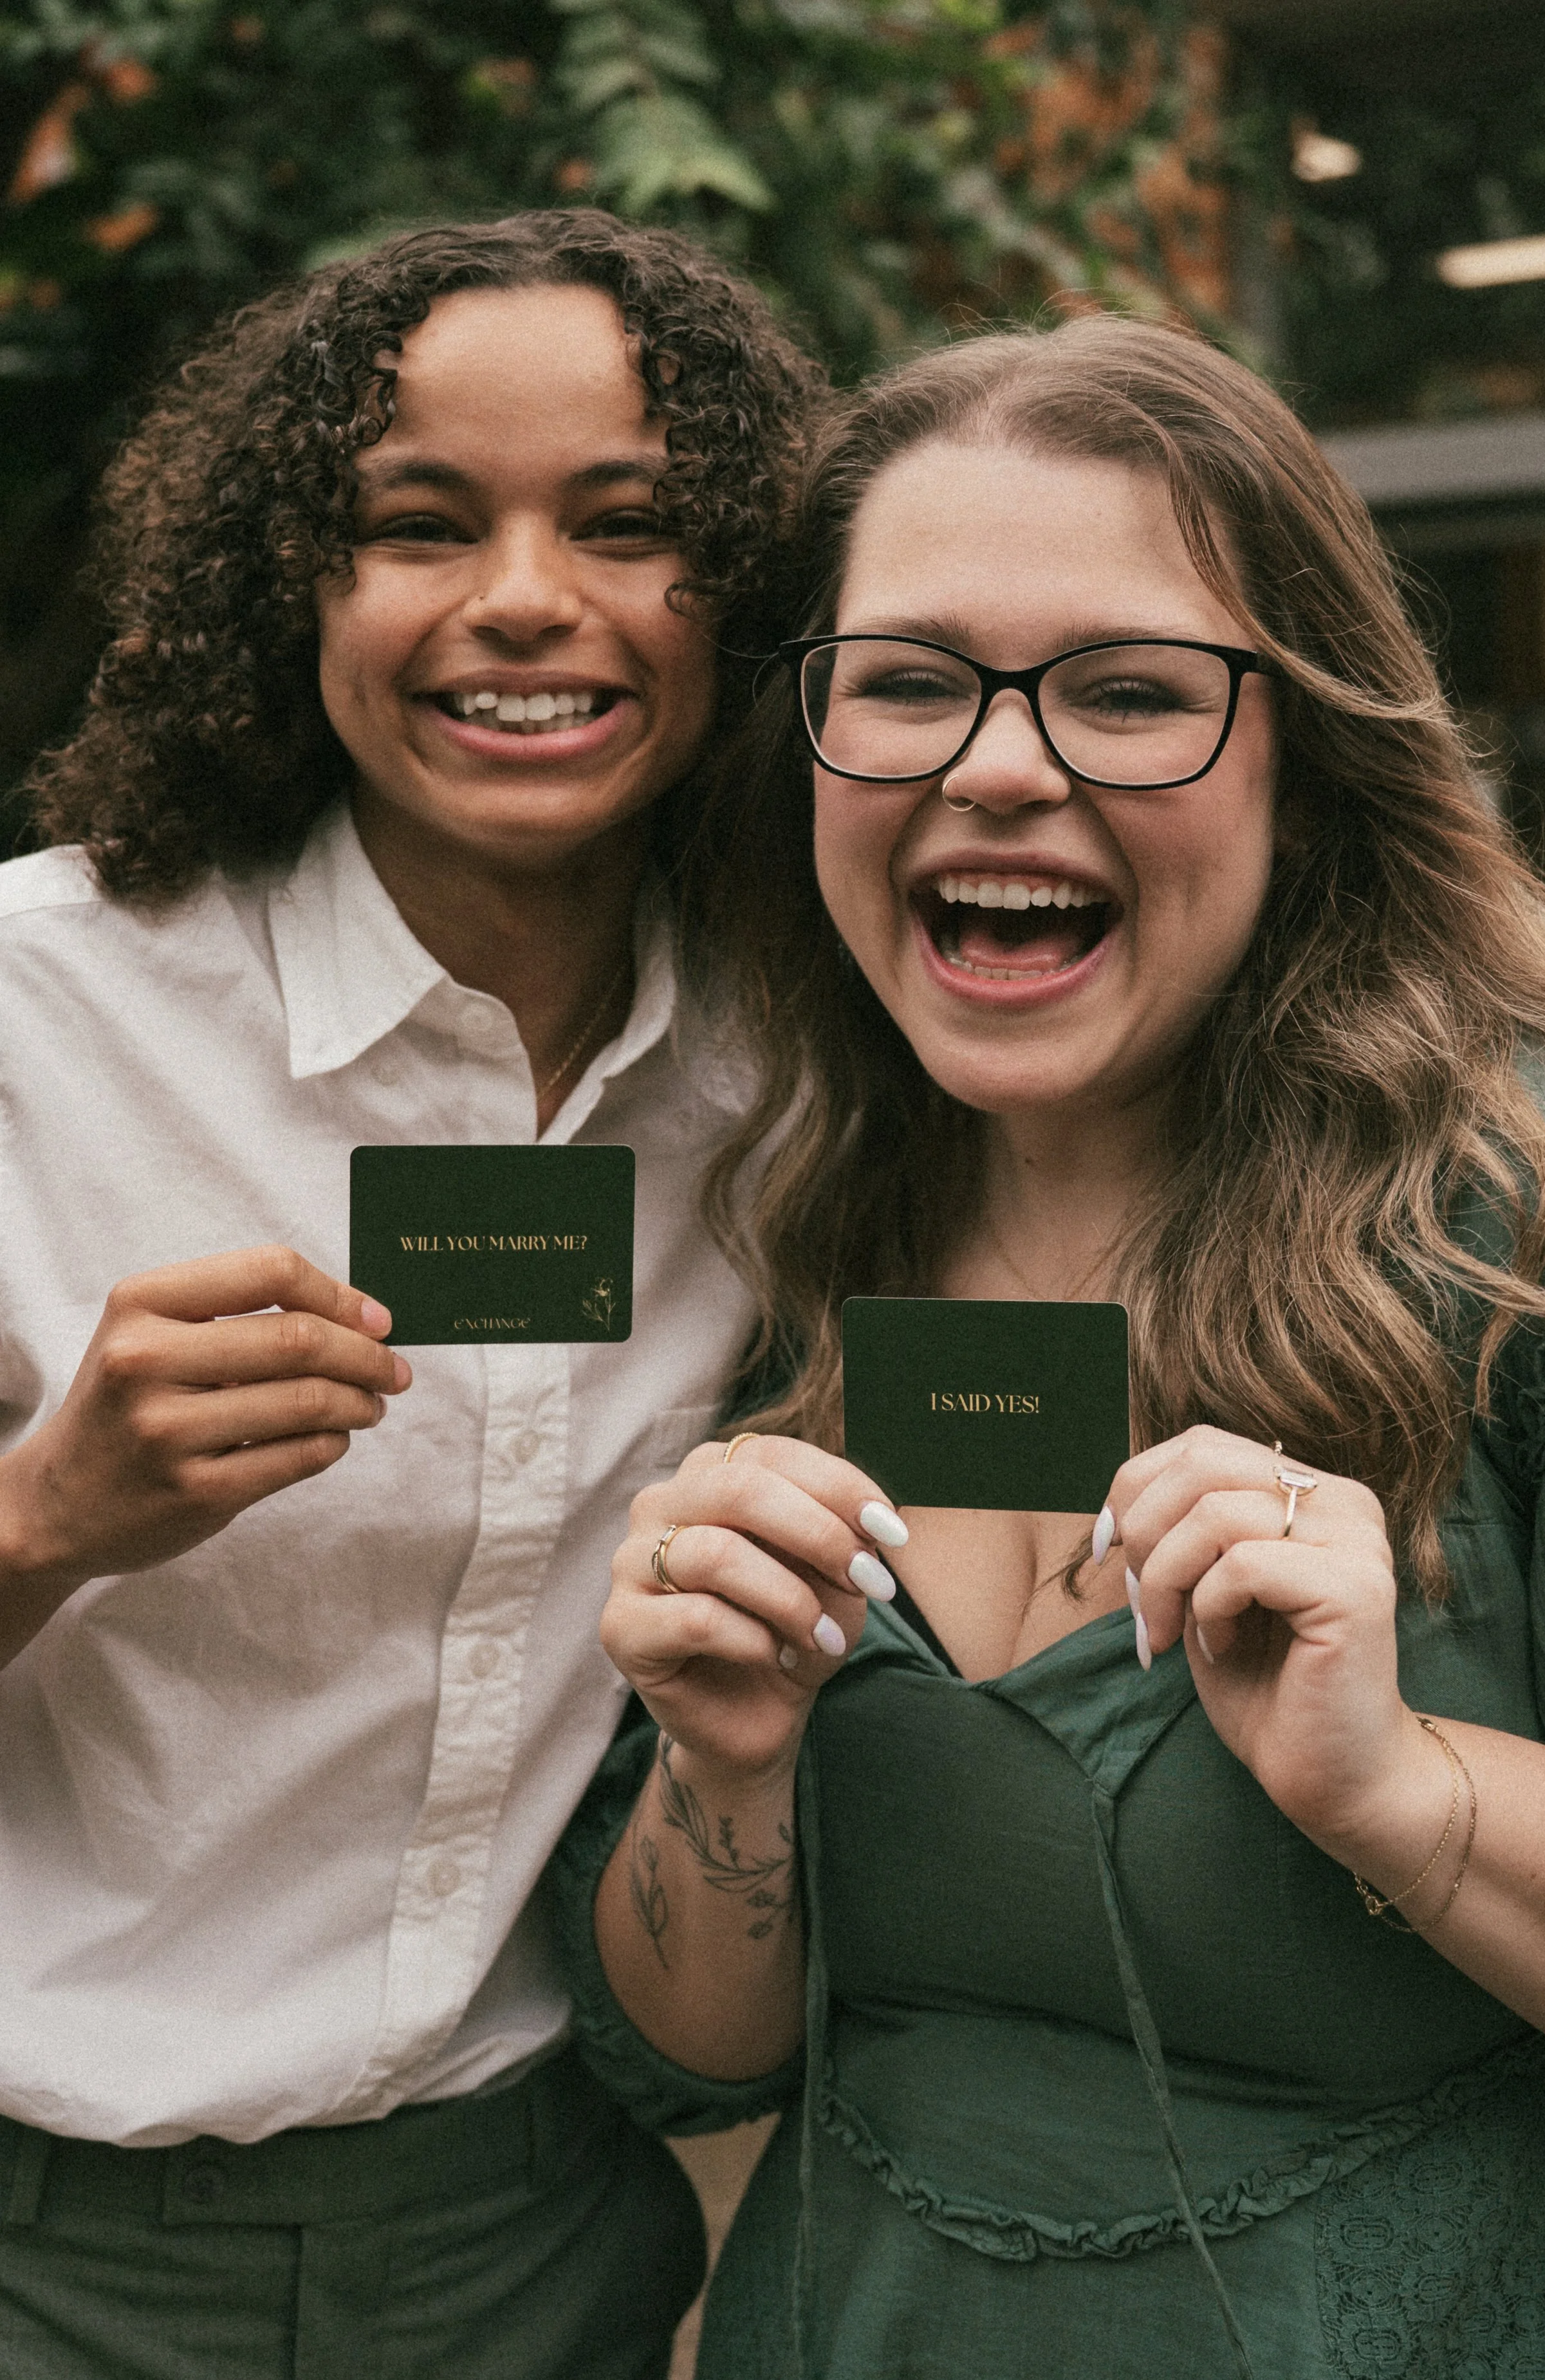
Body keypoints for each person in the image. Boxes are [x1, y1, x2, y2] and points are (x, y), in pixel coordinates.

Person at [553, 316, 1545, 2378]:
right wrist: (720, 1767)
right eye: (911, 688)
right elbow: (685, 2056)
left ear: (1306, 760)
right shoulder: (768, 1234)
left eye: (1128, 693)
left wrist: (1397, 1790)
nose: (996, 762)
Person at [0, 210, 822, 2379]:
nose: (527, 602)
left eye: (631, 525)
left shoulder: (803, 1074)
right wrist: (47, 1511)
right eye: (416, 525)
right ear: (293, 584)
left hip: (530, 2243)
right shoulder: (34, 1015)